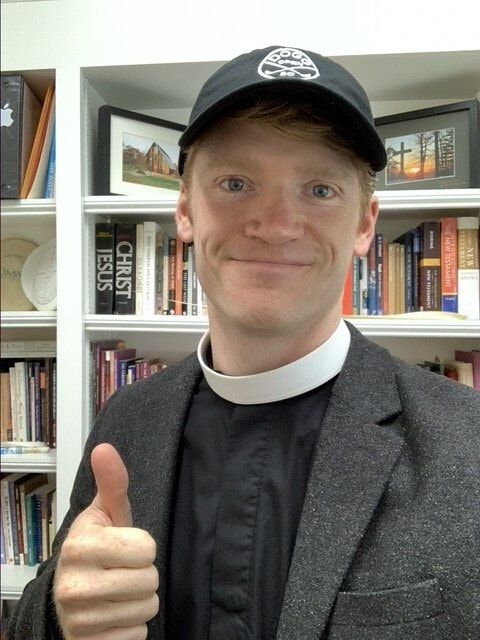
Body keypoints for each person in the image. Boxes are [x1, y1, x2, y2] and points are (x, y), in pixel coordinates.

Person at [7, 46, 479, 640]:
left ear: (364, 223)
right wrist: (61, 609)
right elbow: (48, 608)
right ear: (185, 211)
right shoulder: (128, 417)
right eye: (235, 183)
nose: (274, 225)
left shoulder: (467, 441)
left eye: (320, 190)